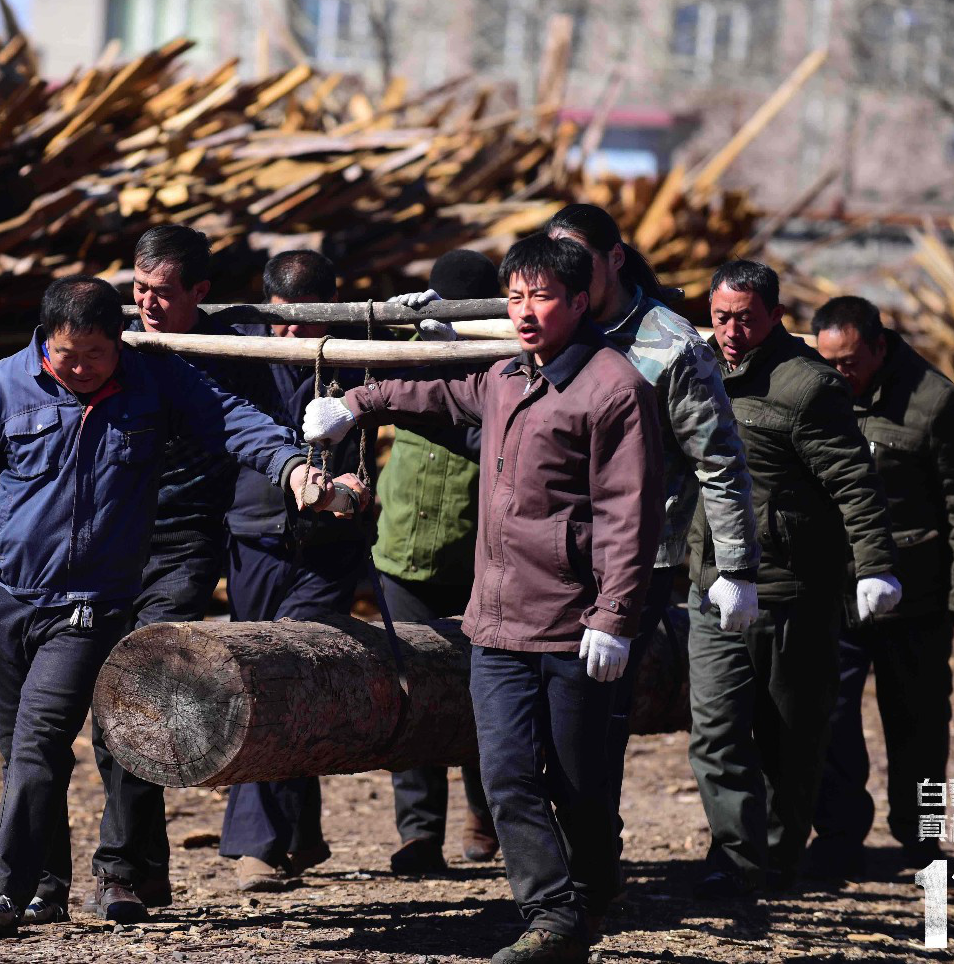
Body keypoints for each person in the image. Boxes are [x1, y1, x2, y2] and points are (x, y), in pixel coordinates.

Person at [0, 275, 355, 938]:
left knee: (42, 739)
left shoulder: (151, 381)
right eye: (66, 355)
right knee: (17, 746)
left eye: (94, 355)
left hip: (87, 604)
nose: (79, 368)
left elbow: (231, 419)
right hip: (3, 596)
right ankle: (46, 887)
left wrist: (291, 467)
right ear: (44, 339)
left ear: (119, 345)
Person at [305, 234, 664, 964]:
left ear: (577, 300)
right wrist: (354, 401)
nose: (525, 312)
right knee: (505, 773)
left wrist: (615, 616)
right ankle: (553, 916)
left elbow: (631, 512)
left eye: (541, 297)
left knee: (577, 783)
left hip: (574, 622)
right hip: (497, 621)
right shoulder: (505, 376)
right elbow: (437, 392)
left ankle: (593, 883)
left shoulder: (612, 388)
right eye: (515, 297)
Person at [541, 205, 760, 908]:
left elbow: (719, 461)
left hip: (639, 560)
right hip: (547, 555)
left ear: (615, 258)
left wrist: (736, 566)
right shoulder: (551, 328)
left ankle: (592, 872)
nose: (562, 274)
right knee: (547, 720)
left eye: (577, 257)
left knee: (599, 722)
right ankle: (573, 863)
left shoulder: (669, 345)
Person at [684, 261, 902, 901]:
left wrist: (875, 565)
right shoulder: (698, 372)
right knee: (717, 730)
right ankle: (735, 858)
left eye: (745, 318)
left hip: (790, 591)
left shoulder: (807, 388)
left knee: (789, 735)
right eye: (721, 316)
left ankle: (776, 858)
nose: (730, 330)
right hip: (715, 586)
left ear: (776, 316)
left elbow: (854, 482)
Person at [84, 225, 274, 924]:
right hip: (108, 544)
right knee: (114, 706)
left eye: (163, 292)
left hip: (186, 544)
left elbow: (259, 429)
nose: (148, 304)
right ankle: (141, 867)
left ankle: (119, 870)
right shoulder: (114, 344)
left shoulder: (235, 353)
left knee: (134, 689)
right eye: (139, 289)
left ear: (201, 291)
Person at [807, 296, 954, 878]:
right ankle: (838, 836)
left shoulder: (936, 403)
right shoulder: (817, 391)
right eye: (828, 361)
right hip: (837, 593)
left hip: (917, 595)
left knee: (918, 724)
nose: (840, 373)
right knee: (829, 718)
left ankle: (921, 842)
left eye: (850, 361)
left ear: (880, 346)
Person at [219, 249, 378, 894]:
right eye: (283, 322)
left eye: (307, 323)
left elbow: (373, 440)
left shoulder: (358, 350)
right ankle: (277, 839)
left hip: (329, 545)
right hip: (254, 538)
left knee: (297, 671)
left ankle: (271, 838)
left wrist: (357, 485)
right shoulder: (232, 348)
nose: (293, 337)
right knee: (258, 677)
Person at [377, 249, 502, 875]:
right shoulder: (412, 349)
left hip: (476, 556)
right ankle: (419, 830)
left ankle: (485, 811)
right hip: (402, 549)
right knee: (411, 689)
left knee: (485, 691)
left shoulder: (504, 366)